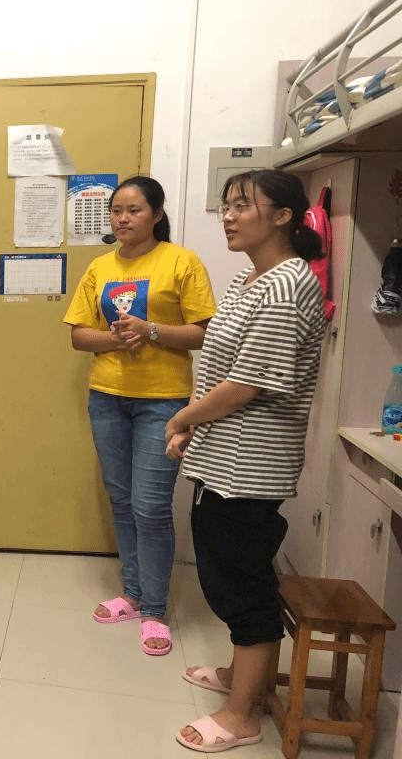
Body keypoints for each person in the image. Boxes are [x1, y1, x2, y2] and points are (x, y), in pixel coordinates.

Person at [165, 169, 325, 752]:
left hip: (252, 465)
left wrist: (182, 419)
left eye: (242, 206)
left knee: (240, 580)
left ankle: (241, 716)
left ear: (282, 216)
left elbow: (248, 383)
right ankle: (243, 677)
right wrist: (193, 421)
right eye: (226, 205)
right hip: (224, 456)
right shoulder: (250, 277)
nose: (228, 216)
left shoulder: (287, 286)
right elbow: (216, 362)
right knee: (225, 569)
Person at [63, 176, 216, 656]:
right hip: (107, 397)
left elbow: (203, 332)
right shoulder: (100, 267)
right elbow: (78, 335)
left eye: (134, 210)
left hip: (163, 402)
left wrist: (150, 330)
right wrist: (115, 339)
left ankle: (155, 610)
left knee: (150, 507)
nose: (123, 218)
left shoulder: (181, 261)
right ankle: (131, 595)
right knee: (123, 499)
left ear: (156, 214)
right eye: (117, 211)